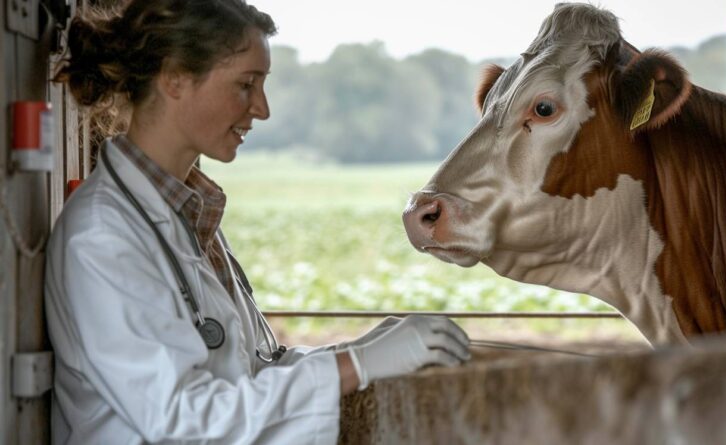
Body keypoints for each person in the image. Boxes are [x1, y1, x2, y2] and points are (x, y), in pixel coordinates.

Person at [45, 1, 471, 443]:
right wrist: (355, 367)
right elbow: (182, 420)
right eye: (246, 85)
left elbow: (246, 373)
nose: (262, 109)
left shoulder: (187, 212)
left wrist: (360, 350)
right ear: (174, 77)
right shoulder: (103, 235)